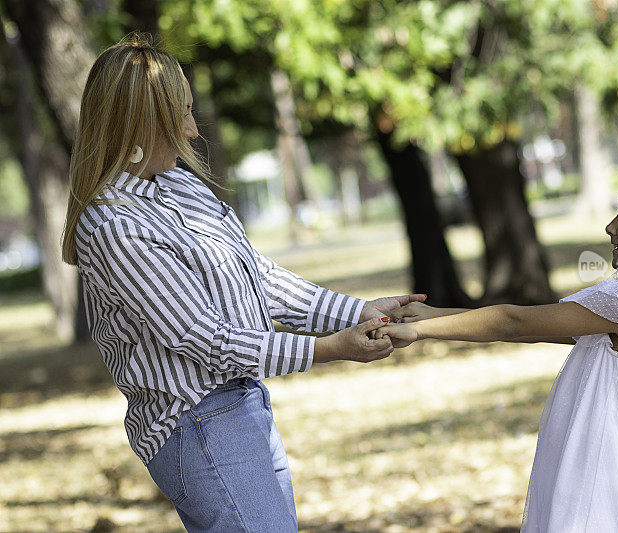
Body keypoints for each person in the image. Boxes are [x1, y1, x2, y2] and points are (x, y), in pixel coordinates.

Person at [60, 35, 424, 532]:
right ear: (139, 122)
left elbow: (257, 276)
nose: (191, 129)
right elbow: (203, 338)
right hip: (198, 423)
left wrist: (353, 311)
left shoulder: (179, 185)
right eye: (178, 115)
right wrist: (330, 350)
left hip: (241, 406)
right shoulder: (115, 225)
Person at [380, 163, 618, 532]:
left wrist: (425, 329)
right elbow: (536, 328)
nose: (611, 228)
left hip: (603, 481)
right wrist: (434, 314)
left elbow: (514, 323)